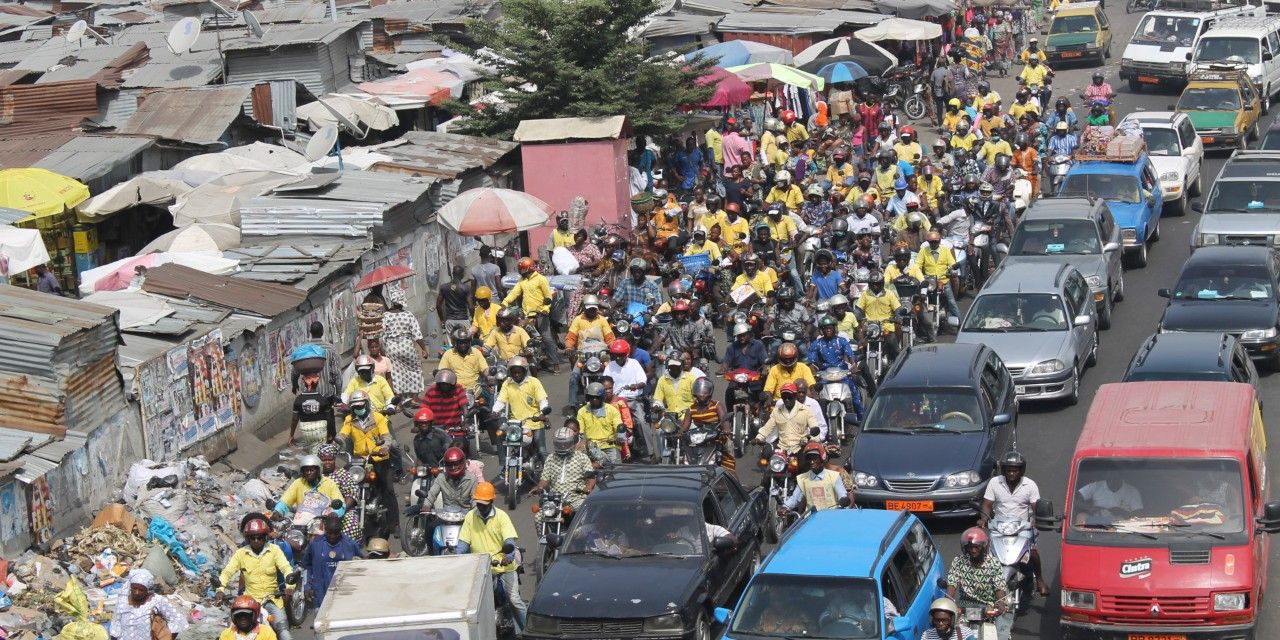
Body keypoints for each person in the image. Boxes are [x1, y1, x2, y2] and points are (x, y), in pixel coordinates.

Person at [978, 451, 1050, 599]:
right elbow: (987, 505)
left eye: (1015, 470)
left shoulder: (1029, 485)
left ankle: (1040, 579)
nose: (1011, 473)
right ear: (1003, 470)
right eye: (1008, 470)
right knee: (986, 552)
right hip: (999, 526)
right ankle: (982, 581)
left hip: (1023, 527)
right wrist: (983, 519)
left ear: (1021, 471)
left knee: (1033, 552)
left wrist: (1038, 519)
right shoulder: (994, 482)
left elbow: (1036, 506)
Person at [456, 482, 526, 631]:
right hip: (481, 568)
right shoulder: (470, 516)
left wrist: (509, 555)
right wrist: (458, 557)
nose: (481, 507)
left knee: (514, 600)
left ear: (491, 502)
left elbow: (509, 541)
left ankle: (527, 630)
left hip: (504, 566)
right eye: (479, 504)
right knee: (476, 604)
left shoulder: (501, 516)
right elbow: (463, 543)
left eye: (484, 504)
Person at [216, 519, 294, 640]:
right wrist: (220, 589)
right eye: (252, 538)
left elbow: (286, 568)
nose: (256, 541)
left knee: (283, 631)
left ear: (265, 537)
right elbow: (227, 571)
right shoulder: (241, 553)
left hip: (272, 599)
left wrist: (290, 587)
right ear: (248, 539)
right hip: (250, 601)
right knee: (232, 630)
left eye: (260, 537)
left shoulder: (274, 550)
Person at [337, 391, 398, 539]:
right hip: (360, 460)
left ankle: (394, 524)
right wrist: (335, 442)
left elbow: (386, 436)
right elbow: (342, 434)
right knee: (343, 483)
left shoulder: (378, 417)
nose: (358, 408)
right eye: (355, 406)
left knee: (388, 490)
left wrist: (385, 448)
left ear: (367, 403)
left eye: (360, 405)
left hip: (379, 458)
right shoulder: (350, 420)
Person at [946, 528, 1012, 640]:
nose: (973, 550)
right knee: (949, 632)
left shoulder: (993, 563)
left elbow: (999, 586)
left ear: (984, 547)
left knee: (1002, 635)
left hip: (989, 607)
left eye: (977, 547)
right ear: (965, 548)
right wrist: (948, 599)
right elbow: (952, 582)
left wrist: (1000, 602)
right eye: (970, 547)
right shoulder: (959, 561)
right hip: (964, 606)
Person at [503, 257, 560, 370]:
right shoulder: (522, 281)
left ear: (528, 268)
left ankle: (555, 363)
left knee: (546, 338)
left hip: (541, 314)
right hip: (527, 315)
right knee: (527, 339)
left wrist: (545, 308)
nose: (521, 272)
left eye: (522, 269)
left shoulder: (541, 279)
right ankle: (533, 362)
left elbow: (548, 296)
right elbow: (514, 293)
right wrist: (504, 303)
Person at [807, 316, 865, 423]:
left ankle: (862, 420)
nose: (828, 330)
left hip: (842, 373)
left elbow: (850, 354)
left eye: (830, 328)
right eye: (825, 328)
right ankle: (818, 422)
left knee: (854, 395)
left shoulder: (841, 341)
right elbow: (811, 359)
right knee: (816, 398)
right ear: (821, 330)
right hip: (825, 375)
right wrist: (813, 371)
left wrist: (853, 366)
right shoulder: (817, 343)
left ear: (835, 328)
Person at [492, 356, 551, 456]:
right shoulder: (507, 383)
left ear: (525, 371)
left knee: (542, 451)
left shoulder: (534, 382)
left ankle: (546, 470)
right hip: (516, 425)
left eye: (519, 372)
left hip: (535, 423)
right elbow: (501, 401)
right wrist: (494, 411)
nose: (517, 375)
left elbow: (542, 400)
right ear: (510, 372)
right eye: (514, 372)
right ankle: (504, 465)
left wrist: (542, 413)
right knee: (501, 438)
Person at [531, 427, 596, 518]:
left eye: (565, 444)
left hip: (576, 497)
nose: (562, 446)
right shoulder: (551, 458)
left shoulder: (582, 458)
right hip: (555, 499)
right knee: (538, 517)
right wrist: (539, 487)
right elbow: (545, 479)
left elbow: (591, 477)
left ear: (571, 442)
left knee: (583, 514)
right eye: (559, 444)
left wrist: (588, 487)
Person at [108, 569, 187, 640]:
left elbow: (178, 620)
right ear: (130, 587)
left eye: (141, 590)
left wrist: (167, 636)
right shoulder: (122, 601)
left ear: (147, 590)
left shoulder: (156, 600)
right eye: (134, 588)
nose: (137, 592)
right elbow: (115, 624)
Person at [300, 515, 361, 607]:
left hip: (344, 595)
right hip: (320, 594)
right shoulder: (315, 544)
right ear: (325, 530)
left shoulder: (350, 545)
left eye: (336, 533)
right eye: (329, 533)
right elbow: (306, 566)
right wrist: (306, 586)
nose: (332, 536)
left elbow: (361, 564)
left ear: (340, 531)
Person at [381, 288, 429, 397]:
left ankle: (398, 402)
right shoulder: (408, 315)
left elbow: (382, 335)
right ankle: (414, 398)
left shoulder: (385, 316)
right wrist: (424, 349)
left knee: (395, 373)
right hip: (407, 346)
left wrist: (384, 349)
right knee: (415, 369)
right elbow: (417, 334)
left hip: (391, 348)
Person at [754, 382, 819, 455]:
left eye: (789, 397)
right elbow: (767, 428)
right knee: (765, 454)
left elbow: (814, 424)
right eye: (784, 397)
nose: (787, 400)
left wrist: (814, 430)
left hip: (800, 447)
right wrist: (758, 438)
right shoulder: (777, 411)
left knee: (809, 460)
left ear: (795, 396)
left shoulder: (806, 410)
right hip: (782, 448)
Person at [275, 454, 345, 518]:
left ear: (318, 470)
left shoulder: (329, 483)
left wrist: (334, 514)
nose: (309, 473)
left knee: (334, 527)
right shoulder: (298, 483)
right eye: (306, 470)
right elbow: (285, 500)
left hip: (324, 521)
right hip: (301, 520)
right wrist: (277, 512)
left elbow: (341, 505)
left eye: (311, 470)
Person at [784, 441, 847, 512]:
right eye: (809, 459)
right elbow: (794, 499)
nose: (812, 462)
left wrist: (844, 501)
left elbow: (842, 495)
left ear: (822, 458)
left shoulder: (834, 476)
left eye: (815, 458)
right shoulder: (802, 479)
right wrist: (785, 507)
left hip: (831, 517)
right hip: (811, 519)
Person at [917, 231, 962, 330]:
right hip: (929, 282)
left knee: (951, 301)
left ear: (939, 241)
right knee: (921, 302)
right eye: (931, 242)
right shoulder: (923, 251)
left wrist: (952, 270)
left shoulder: (945, 250)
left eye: (935, 242)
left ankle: (960, 324)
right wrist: (919, 276)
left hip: (943, 281)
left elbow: (952, 263)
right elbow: (918, 265)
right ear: (928, 242)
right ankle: (919, 326)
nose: (933, 244)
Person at [856, 271, 901, 359]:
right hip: (870, 326)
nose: (875, 286)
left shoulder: (889, 294)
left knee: (894, 346)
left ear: (882, 283)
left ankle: (897, 365)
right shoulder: (865, 294)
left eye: (877, 284)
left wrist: (898, 316)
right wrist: (858, 317)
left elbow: (897, 308)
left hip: (886, 326)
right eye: (872, 284)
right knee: (861, 345)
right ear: (869, 284)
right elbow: (859, 309)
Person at [291, 371, 337, 446]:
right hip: (321, 432)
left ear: (304, 383)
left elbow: (294, 420)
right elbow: (329, 419)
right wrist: (330, 434)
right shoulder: (323, 400)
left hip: (306, 433)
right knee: (320, 452)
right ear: (317, 383)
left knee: (312, 449)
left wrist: (291, 435)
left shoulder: (298, 400)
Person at [1077, 476, 1144, 521]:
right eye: (1111, 475)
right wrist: (1091, 508)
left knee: (1119, 519)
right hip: (1097, 522)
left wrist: (1122, 512)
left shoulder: (1132, 491)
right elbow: (1075, 499)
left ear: (1122, 476)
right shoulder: (1096, 486)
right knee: (1081, 516)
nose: (1113, 477)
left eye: (1116, 476)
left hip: (1122, 525)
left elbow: (1139, 515)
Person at [437, 265, 474, 337]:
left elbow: (438, 305)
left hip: (450, 321)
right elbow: (471, 307)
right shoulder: (466, 288)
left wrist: (442, 320)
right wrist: (474, 319)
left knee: (452, 345)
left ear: (452, 273)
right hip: (463, 319)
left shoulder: (444, 287)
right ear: (462, 275)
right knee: (465, 342)